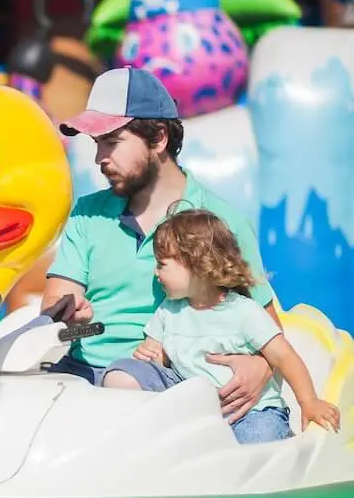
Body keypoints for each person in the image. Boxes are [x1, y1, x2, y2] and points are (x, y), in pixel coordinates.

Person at [42, 66, 281, 424]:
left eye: (112, 141)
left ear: (158, 138)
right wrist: (73, 318)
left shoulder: (222, 222)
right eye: (97, 144)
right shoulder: (87, 212)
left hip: (170, 385)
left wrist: (260, 366)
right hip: (82, 376)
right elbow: (57, 318)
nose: (99, 159)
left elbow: (269, 330)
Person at [102, 209, 340, 443]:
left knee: (257, 437)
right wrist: (152, 354)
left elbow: (285, 356)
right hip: (192, 405)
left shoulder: (244, 312)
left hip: (249, 412)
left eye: (162, 264)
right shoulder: (169, 309)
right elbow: (156, 353)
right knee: (122, 374)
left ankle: (276, 444)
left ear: (195, 264)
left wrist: (308, 401)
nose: (155, 273)